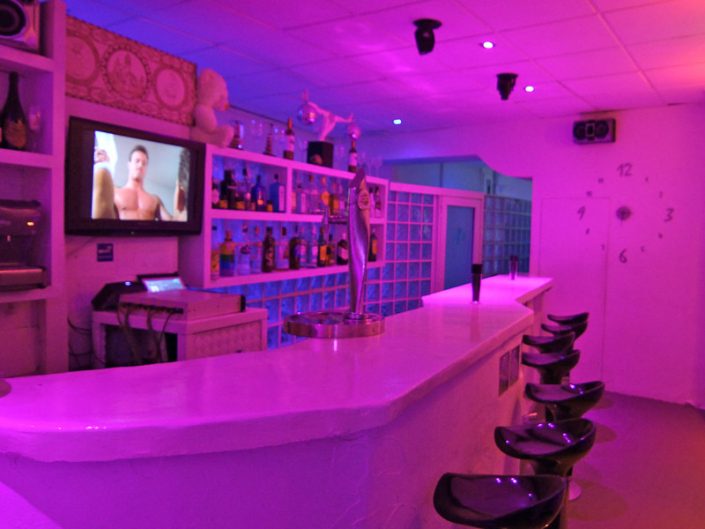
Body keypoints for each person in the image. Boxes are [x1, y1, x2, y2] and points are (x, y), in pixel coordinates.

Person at [113, 145, 182, 221]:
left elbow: (172, 222)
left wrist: (179, 185)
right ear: (129, 165)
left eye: (144, 163)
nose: (140, 165)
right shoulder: (115, 194)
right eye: (137, 161)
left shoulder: (155, 200)